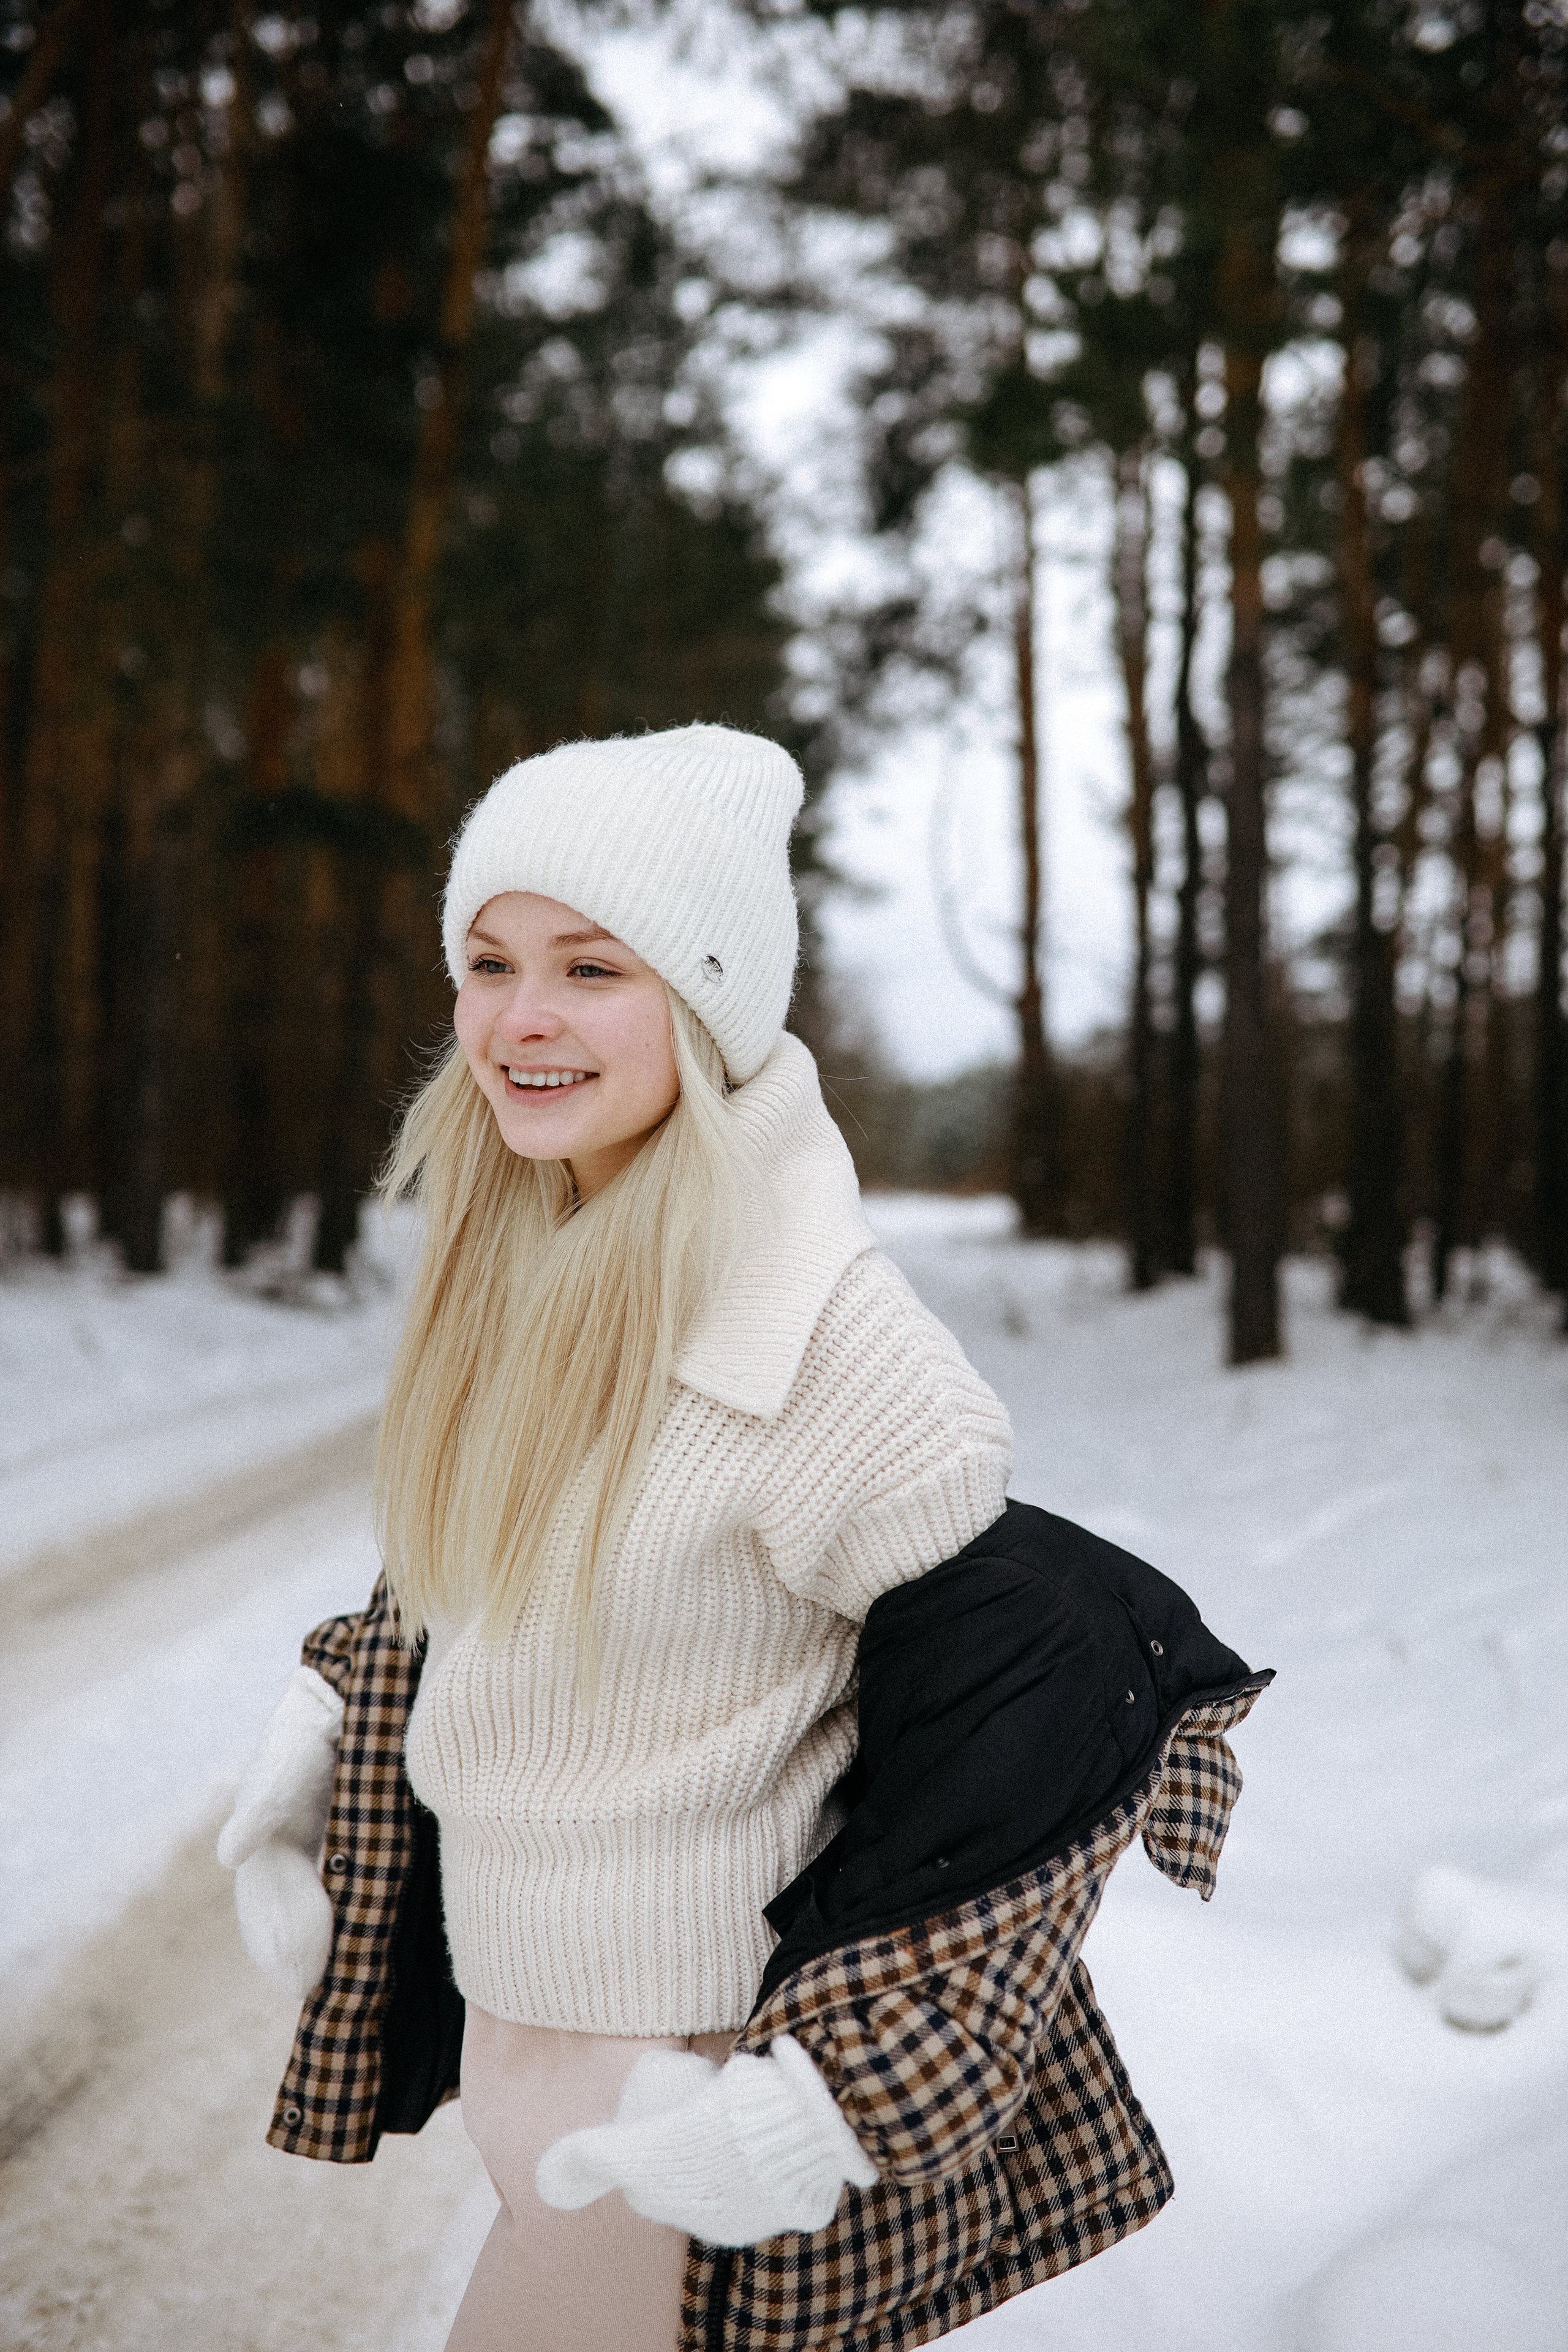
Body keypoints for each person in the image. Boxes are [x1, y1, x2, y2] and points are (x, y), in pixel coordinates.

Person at [218, 723, 1270, 2352]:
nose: (522, 1018)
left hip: (676, 2090)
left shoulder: (830, 1340)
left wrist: (833, 2101)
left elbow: (1040, 1708)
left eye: (591, 967)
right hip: (528, 2037)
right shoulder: (535, 1253)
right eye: (488, 961)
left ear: (706, 1002)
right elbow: (511, 1577)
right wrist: (334, 1718)